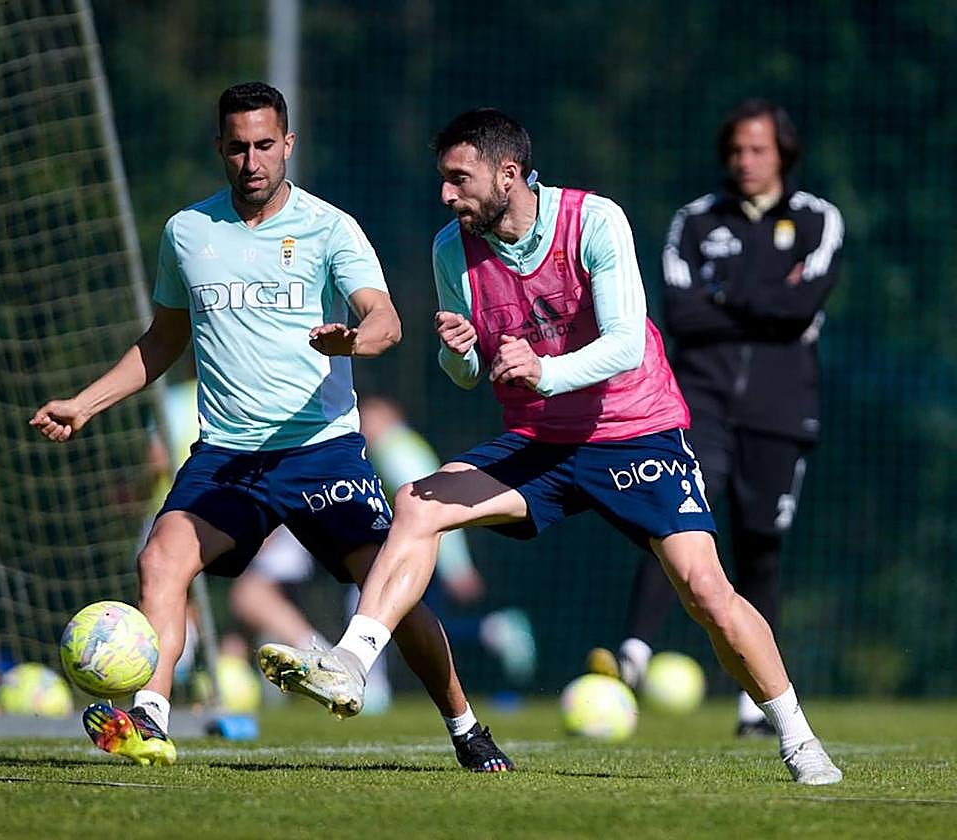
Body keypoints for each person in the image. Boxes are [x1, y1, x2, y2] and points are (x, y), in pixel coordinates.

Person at [257, 107, 842, 785]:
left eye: (459, 178)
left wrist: (545, 370)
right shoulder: (452, 249)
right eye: (443, 178)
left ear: (508, 174)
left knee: (706, 592)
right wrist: (460, 354)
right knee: (417, 502)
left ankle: (799, 738)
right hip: (540, 442)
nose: (446, 194)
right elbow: (468, 373)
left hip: (634, 433)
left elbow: (626, 344)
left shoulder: (593, 220)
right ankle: (351, 663)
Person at [30, 82, 512, 772]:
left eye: (264, 145)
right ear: (219, 149)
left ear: (288, 144)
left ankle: (464, 726)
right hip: (226, 457)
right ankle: (150, 719)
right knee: (160, 561)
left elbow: (387, 321)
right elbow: (163, 340)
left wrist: (354, 340)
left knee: (389, 593)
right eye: (237, 148)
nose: (251, 161)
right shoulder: (187, 232)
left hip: (321, 453)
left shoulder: (330, 227)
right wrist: (85, 402)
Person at [589, 99, 844, 738]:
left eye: (758, 149)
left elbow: (802, 307)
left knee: (761, 545)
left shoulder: (817, 219)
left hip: (782, 409)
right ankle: (630, 660)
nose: (744, 161)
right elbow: (681, 313)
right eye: (735, 150)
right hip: (699, 401)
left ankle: (755, 702)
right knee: (675, 518)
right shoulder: (696, 220)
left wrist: (723, 294)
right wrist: (767, 298)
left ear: (783, 153)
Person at [229, 395, 537, 712]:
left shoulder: (396, 449)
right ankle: (361, 676)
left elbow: (432, 507)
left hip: (406, 551)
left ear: (391, 415)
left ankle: (486, 634)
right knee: (403, 616)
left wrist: (457, 566)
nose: (364, 421)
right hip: (380, 542)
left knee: (402, 616)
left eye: (371, 414)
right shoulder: (373, 449)